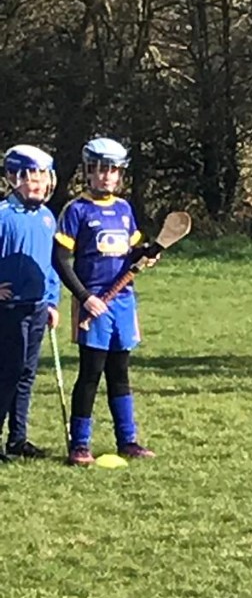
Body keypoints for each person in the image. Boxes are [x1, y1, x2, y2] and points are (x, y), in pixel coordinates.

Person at [53, 137, 160, 465]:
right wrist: (85, 298)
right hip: (93, 303)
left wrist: (147, 254)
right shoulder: (77, 210)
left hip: (123, 302)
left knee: (120, 373)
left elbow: (132, 252)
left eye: (112, 170)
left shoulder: (124, 209)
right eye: (100, 169)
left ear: (120, 174)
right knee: (91, 372)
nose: (106, 176)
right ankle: (80, 445)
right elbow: (60, 260)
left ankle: (128, 440)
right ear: (88, 172)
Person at [0, 145, 60, 461]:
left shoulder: (47, 217)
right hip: (9, 309)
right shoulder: (2, 216)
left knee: (26, 374)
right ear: (13, 178)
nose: (38, 185)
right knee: (7, 374)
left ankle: (18, 438)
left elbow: (49, 265)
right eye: (30, 178)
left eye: (42, 178)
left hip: (37, 307)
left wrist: (52, 302)